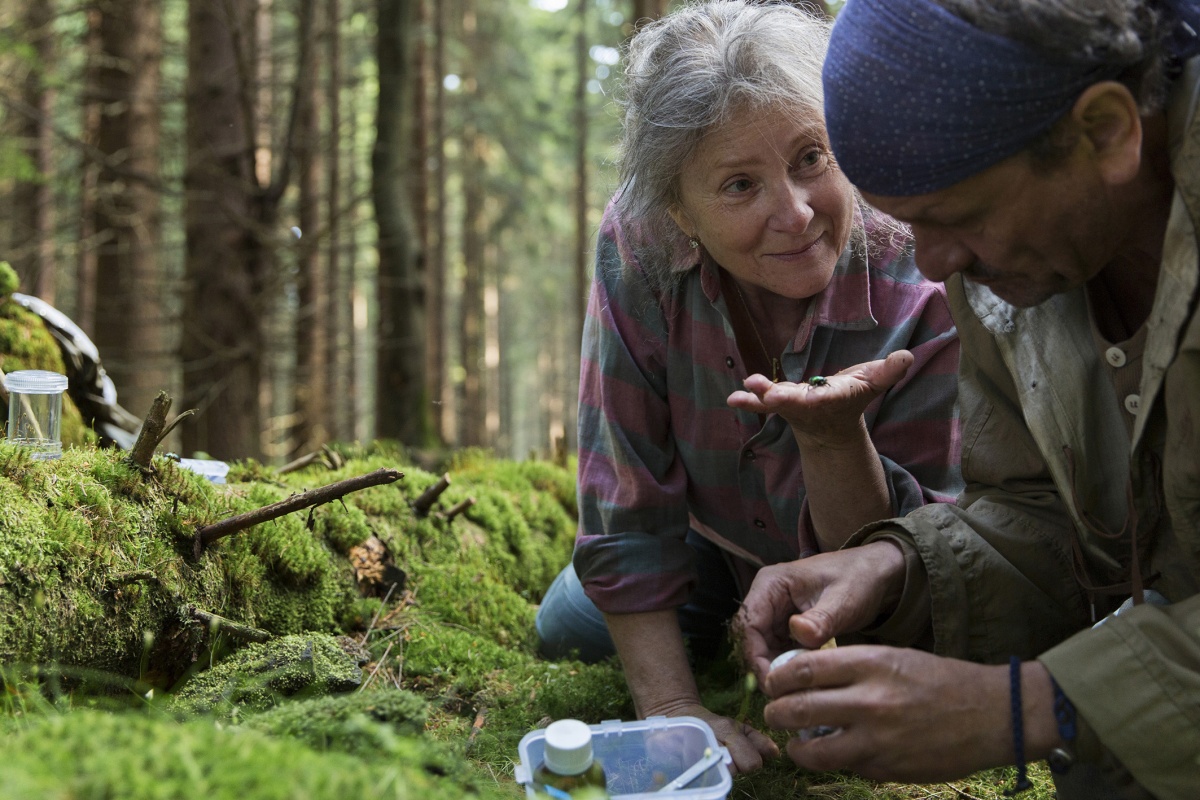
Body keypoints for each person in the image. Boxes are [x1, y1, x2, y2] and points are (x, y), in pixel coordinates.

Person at [736, 1, 1200, 798]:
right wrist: (897, 566)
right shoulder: (1017, 266)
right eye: (909, 226)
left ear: (1106, 133)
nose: (936, 262)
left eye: (957, 216)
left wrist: (1024, 708)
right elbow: (1042, 517)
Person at [533, 0, 963, 776]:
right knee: (569, 628)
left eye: (810, 158)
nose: (794, 214)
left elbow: (924, 555)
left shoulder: (920, 257)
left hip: (874, 567)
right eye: (739, 185)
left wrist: (834, 438)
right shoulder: (638, 242)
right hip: (709, 540)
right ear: (678, 211)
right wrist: (670, 709)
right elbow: (626, 492)